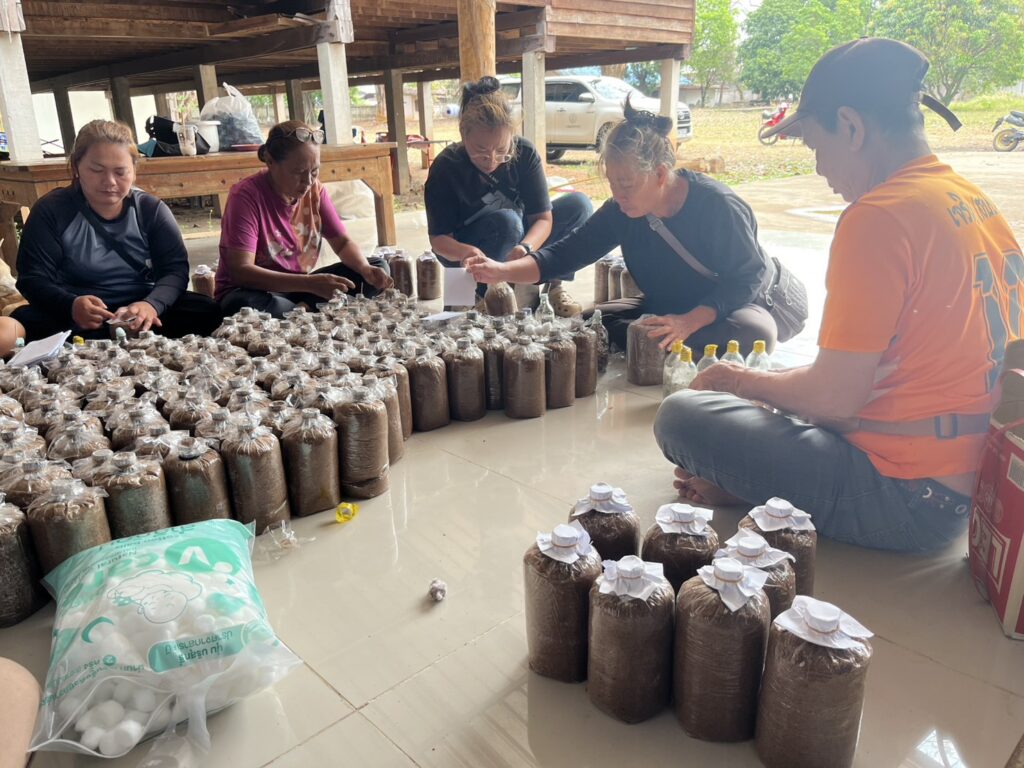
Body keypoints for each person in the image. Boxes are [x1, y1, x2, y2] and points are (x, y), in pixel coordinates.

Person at [654, 38, 1022, 552]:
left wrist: (737, 380)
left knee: (681, 416)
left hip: (909, 498)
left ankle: (759, 481)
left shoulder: (878, 217)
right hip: (973, 484)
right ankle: (756, 483)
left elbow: (834, 400)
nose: (819, 168)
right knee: (782, 390)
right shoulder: (969, 199)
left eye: (813, 145)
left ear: (851, 127)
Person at [464, 99, 795, 353]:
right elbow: (565, 254)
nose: (617, 194)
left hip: (725, 309)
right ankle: (662, 342)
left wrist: (688, 322)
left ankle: (664, 341)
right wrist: (500, 271)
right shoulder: (621, 210)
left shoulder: (717, 206)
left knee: (755, 334)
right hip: (665, 307)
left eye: (626, 184)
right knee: (586, 325)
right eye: (612, 183)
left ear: (660, 174)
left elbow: (748, 277)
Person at [9, 119, 222, 351]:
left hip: (140, 310)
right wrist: (70, 305)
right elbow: (33, 278)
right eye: (96, 170)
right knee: (20, 326)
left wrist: (151, 305)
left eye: (120, 172)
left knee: (209, 312)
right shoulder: (52, 211)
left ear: (134, 170)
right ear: (76, 167)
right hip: (79, 315)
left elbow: (174, 271)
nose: (109, 182)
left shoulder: (150, 210)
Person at [424, 76, 592, 317]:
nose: (492, 160)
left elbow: (543, 219)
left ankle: (553, 287)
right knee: (507, 221)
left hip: (515, 242)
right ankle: (480, 296)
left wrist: (526, 246)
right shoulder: (446, 167)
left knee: (579, 205)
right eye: (481, 151)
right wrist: (465, 251)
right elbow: (439, 240)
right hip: (467, 255)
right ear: (463, 133)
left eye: (502, 150)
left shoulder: (524, 152)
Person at [215, 120, 392, 317]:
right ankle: (309, 310)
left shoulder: (314, 190)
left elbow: (342, 243)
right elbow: (241, 271)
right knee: (243, 305)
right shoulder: (246, 196)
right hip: (257, 291)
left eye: (314, 171)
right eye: (298, 172)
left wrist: (365, 268)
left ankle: (301, 311)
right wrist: (310, 284)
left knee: (377, 267)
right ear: (270, 162)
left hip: (298, 288)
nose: (308, 181)